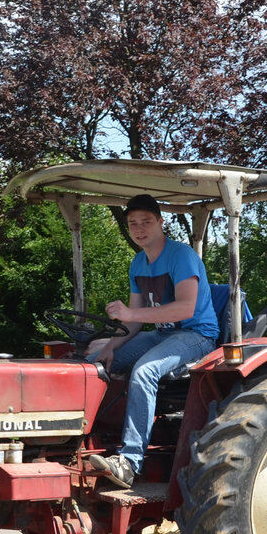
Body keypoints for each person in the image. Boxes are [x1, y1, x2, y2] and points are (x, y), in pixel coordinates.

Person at [88, 193, 220, 488]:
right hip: (162, 333)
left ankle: (129, 462)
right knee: (91, 364)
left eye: (146, 221)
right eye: (133, 223)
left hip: (196, 335)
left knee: (145, 371)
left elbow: (186, 307)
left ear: (161, 222)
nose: (139, 228)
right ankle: (86, 442)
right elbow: (134, 322)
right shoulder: (138, 262)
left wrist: (130, 312)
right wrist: (110, 347)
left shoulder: (181, 256)